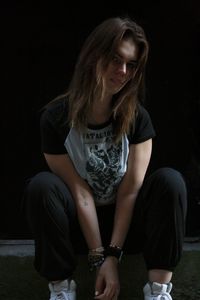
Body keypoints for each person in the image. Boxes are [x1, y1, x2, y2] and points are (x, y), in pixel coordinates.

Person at [23, 16, 187, 300]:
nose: (122, 71)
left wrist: (113, 254)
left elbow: (129, 192)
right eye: (115, 58)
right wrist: (99, 257)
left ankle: (159, 291)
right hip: (79, 229)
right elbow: (80, 192)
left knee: (170, 182)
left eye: (131, 64)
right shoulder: (56, 119)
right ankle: (61, 290)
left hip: (127, 228)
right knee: (41, 187)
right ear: (93, 56)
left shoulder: (137, 118)